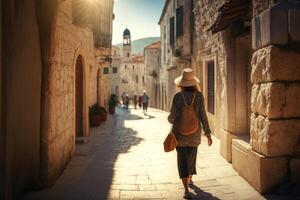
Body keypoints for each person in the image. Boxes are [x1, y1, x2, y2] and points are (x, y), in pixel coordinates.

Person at [168, 68, 213, 199]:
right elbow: (203, 116)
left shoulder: (177, 97)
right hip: (194, 135)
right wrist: (208, 133)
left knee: (182, 160)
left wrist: (171, 118)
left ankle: (186, 190)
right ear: (194, 83)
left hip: (180, 135)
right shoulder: (199, 96)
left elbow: (172, 117)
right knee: (191, 159)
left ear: (181, 83)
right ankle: (190, 178)